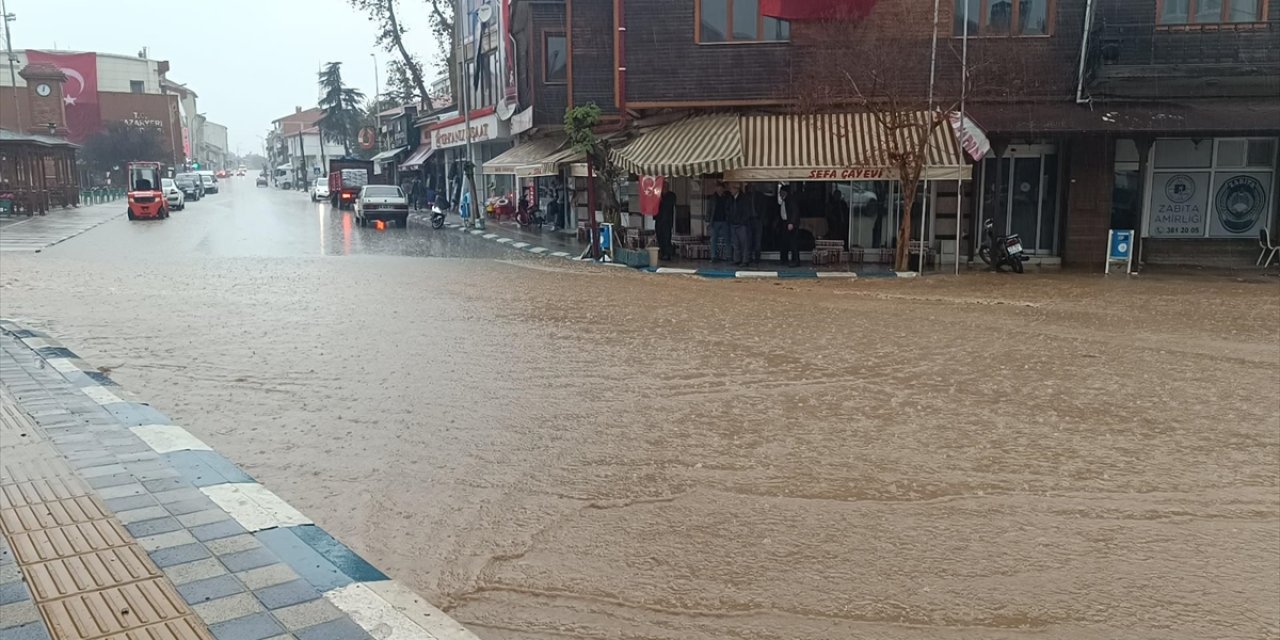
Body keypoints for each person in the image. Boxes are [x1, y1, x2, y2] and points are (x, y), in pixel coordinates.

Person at [727, 182, 754, 267]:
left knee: (744, 244)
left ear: (736, 189)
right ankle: (737, 259)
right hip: (733, 224)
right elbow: (727, 210)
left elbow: (747, 212)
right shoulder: (730, 199)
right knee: (735, 243)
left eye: (731, 189)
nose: (730, 191)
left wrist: (742, 221)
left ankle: (745, 260)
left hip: (742, 224)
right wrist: (730, 220)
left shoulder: (744, 198)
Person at [780, 185, 801, 266]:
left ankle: (795, 261)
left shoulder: (791, 200)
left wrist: (791, 223)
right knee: (784, 242)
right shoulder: (784, 200)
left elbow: (795, 212)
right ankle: (784, 259)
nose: (780, 194)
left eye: (781, 192)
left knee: (793, 243)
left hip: (790, 224)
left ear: (785, 192)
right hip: (784, 223)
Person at [709, 183, 731, 262]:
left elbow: (729, 208)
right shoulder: (713, 198)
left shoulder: (727, 197)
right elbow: (709, 209)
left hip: (724, 220)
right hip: (715, 221)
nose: (719, 190)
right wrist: (708, 220)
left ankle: (728, 256)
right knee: (713, 239)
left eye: (721, 188)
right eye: (718, 188)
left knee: (727, 239)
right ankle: (713, 256)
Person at [656, 187, 677, 260]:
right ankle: (662, 252)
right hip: (659, 219)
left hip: (667, 220)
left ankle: (667, 254)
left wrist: (662, 199)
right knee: (659, 236)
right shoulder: (658, 195)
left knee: (667, 238)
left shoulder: (671, 196)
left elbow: (669, 204)